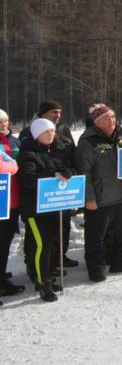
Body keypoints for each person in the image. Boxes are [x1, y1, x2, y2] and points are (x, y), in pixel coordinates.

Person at [76, 104, 122, 282]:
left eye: (112, 117)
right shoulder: (88, 142)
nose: (111, 121)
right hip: (100, 199)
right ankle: (96, 268)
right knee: (96, 236)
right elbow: (83, 172)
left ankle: (120, 261)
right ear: (97, 122)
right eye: (106, 118)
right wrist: (88, 198)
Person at [17, 118, 74, 302]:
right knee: (43, 245)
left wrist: (67, 172)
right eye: (46, 132)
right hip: (35, 210)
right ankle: (43, 282)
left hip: (53, 207)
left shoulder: (56, 152)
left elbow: (64, 168)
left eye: (52, 131)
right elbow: (27, 179)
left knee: (52, 244)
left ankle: (47, 276)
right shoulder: (28, 154)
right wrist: (52, 174)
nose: (51, 134)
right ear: (36, 135)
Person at [17, 101, 78, 269]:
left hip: (61, 190)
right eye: (53, 112)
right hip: (39, 200)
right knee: (39, 238)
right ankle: (34, 266)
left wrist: (71, 171)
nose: (57, 116)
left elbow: (70, 153)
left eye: (59, 112)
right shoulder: (28, 135)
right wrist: (53, 173)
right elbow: (28, 174)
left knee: (60, 228)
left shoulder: (63, 130)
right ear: (43, 113)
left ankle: (58, 258)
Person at [0, 110, 24, 301]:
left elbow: (20, 164)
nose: (4, 124)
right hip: (1, 199)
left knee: (5, 239)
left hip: (14, 198)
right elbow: (10, 166)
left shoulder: (14, 141)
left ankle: (2, 271)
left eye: (6, 120)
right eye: (0, 121)